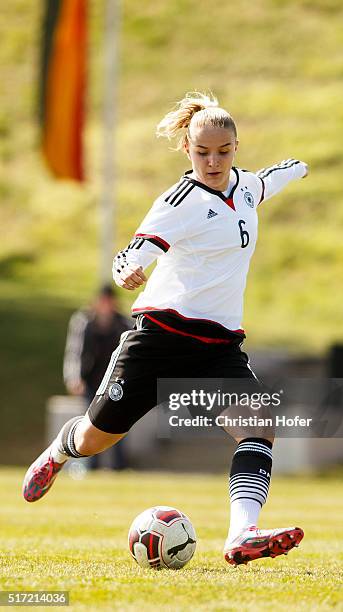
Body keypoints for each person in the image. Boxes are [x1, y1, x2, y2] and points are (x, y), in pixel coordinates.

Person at [23, 92, 308, 566]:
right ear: (186, 150)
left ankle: (242, 535)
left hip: (218, 344)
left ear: (237, 146)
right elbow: (131, 253)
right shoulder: (179, 202)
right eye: (202, 152)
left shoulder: (247, 187)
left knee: (259, 427)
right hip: (159, 337)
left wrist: (299, 167)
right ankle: (58, 452)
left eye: (223, 150)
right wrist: (127, 272)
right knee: (98, 437)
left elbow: (273, 178)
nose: (213, 160)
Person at [63, 285, 131, 469]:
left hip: (115, 382)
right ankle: (90, 465)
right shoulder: (84, 321)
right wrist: (74, 377)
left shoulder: (123, 323)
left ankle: (119, 465)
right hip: (91, 380)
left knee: (117, 422)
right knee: (90, 422)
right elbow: (75, 351)